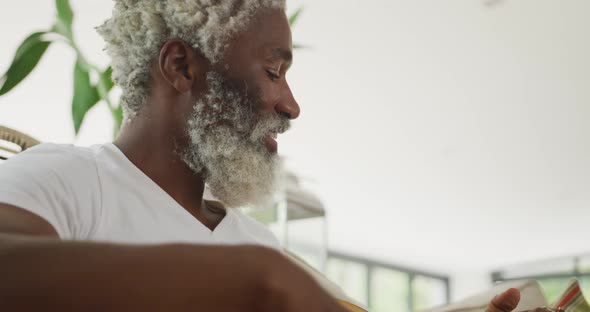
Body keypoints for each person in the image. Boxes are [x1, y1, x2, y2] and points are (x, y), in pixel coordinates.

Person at [0, 1, 530, 311]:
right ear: (182, 66)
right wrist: (252, 276)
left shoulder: (259, 243)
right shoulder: (68, 181)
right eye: (273, 72)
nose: (291, 105)